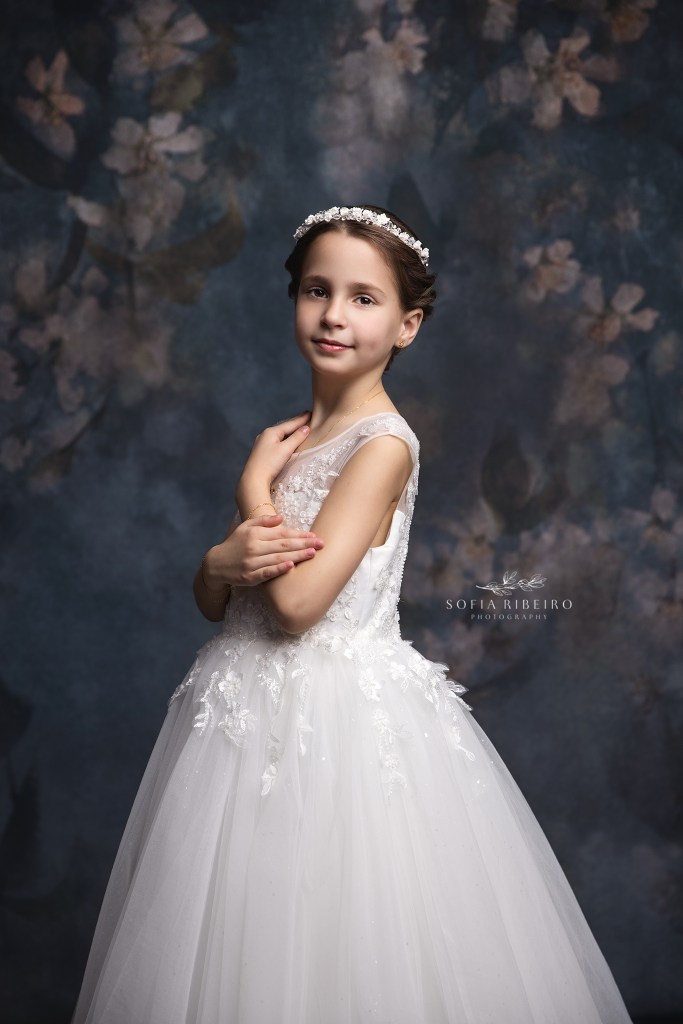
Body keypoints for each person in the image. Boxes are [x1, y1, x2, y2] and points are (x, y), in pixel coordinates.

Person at [71, 205, 633, 1023]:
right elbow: (216, 603)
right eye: (316, 290)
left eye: (364, 299)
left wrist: (250, 496)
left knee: (332, 933)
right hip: (241, 712)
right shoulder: (292, 438)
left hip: (331, 725)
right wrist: (214, 563)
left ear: (406, 326)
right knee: (242, 939)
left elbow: (296, 606)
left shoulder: (382, 446)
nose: (334, 314)